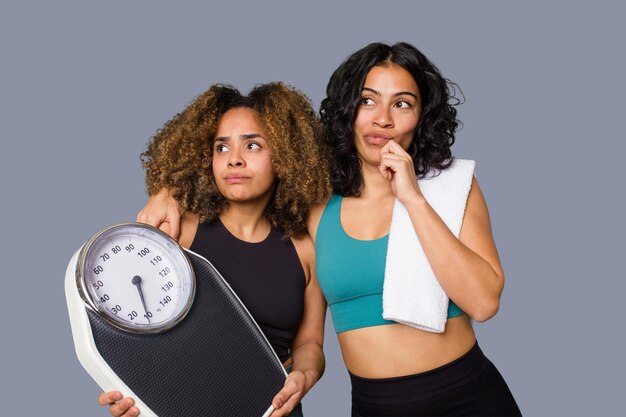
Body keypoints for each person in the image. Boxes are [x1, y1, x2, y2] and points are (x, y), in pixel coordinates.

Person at [140, 42, 521, 416]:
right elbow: (246, 178)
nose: (382, 119)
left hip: (466, 395)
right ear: (348, 109)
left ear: (422, 116)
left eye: (401, 103)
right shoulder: (317, 205)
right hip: (374, 405)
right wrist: (167, 192)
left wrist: (414, 200)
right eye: (367, 100)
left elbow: (484, 303)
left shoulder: (450, 188)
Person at [98, 82, 330, 417]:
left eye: (252, 145)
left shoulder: (305, 248)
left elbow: (309, 343)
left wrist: (303, 376)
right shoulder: (178, 232)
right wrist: (129, 393)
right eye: (221, 148)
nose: (234, 160)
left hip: (273, 408)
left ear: (285, 157)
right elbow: (130, 325)